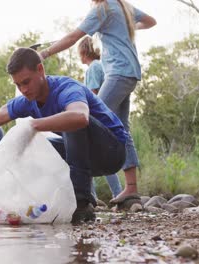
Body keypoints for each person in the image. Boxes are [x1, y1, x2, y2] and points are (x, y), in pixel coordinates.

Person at [0, 48, 128, 223]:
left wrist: (33, 125)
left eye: (26, 81)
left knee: (69, 122)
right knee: (31, 146)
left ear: (40, 70)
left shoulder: (66, 88)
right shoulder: (27, 101)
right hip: (87, 157)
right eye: (18, 85)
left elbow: (80, 117)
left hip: (112, 152)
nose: (23, 89)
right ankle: (37, 201)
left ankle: (81, 202)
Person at [39, 0, 156, 204]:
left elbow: (74, 37)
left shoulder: (103, 9)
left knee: (87, 120)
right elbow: (150, 22)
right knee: (121, 128)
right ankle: (130, 189)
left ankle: (84, 190)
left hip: (118, 73)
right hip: (128, 72)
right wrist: (127, 30)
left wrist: (43, 54)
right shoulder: (122, 6)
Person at [78, 36, 122, 199]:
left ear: (83, 52)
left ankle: (94, 196)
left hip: (97, 120)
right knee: (99, 157)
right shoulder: (101, 66)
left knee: (89, 155)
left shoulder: (93, 68)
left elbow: (93, 94)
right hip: (108, 118)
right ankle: (111, 194)